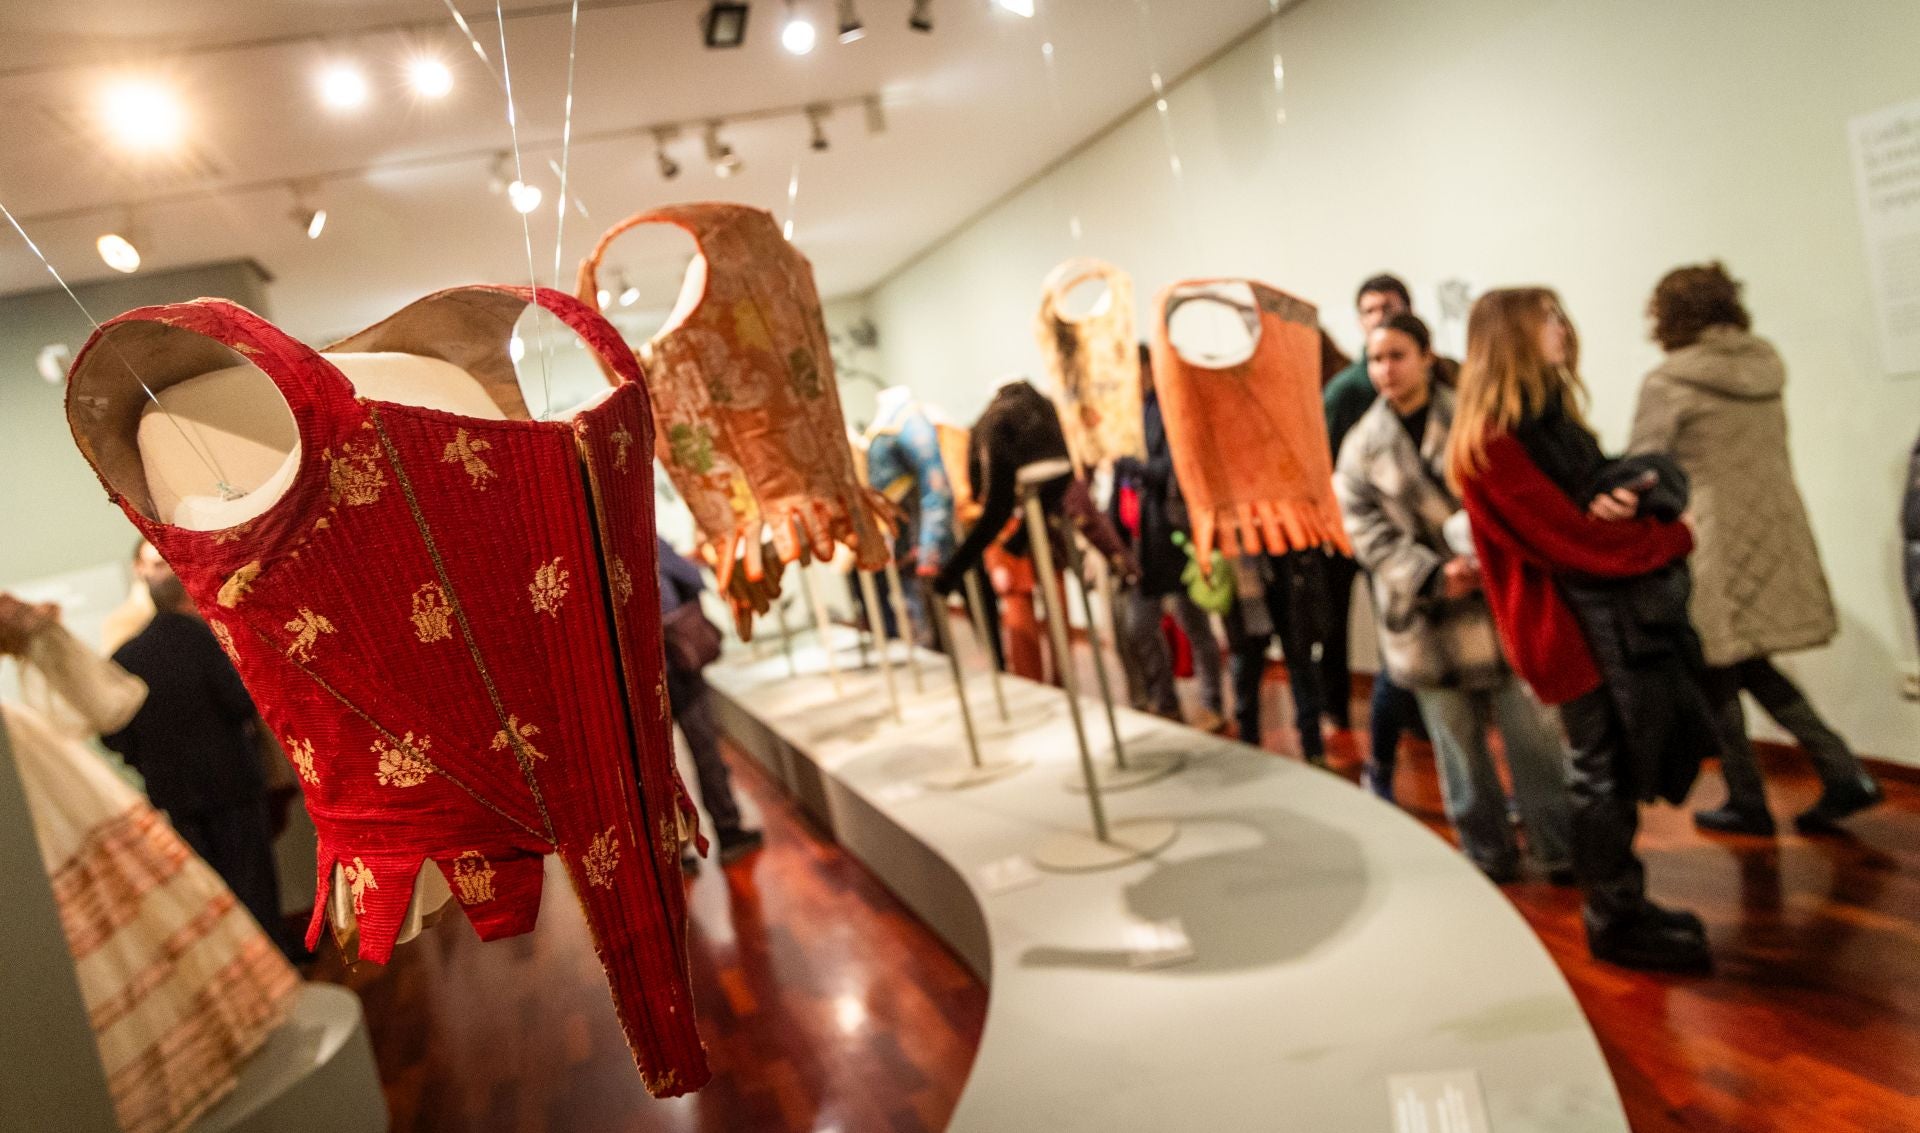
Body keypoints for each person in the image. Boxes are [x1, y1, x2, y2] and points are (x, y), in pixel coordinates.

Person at [1448, 288, 1714, 973]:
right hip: (1562, 631)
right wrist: (1668, 536)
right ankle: (1611, 919)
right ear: (1511, 337)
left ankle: (1625, 903)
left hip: (1599, 622)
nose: (1563, 329)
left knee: (1616, 772)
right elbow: (1569, 540)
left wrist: (1628, 495)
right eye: (1547, 320)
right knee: (1599, 774)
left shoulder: (1549, 419)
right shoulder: (1490, 443)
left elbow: (1589, 502)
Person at [1628, 263, 1882, 835]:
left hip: (1709, 543)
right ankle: (1830, 775)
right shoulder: (1764, 367)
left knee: (1720, 665)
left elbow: (1646, 468)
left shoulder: (1668, 382)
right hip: (1772, 531)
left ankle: (1769, 794)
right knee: (1737, 666)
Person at [1335, 313, 1573, 880]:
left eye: (1397, 355)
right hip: (1428, 618)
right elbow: (1363, 529)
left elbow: (1521, 493)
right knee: (1458, 750)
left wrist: (1486, 558)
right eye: (1376, 359)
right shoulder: (1363, 444)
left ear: (1425, 355)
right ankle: (1487, 852)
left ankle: (1559, 848)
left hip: (1500, 604)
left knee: (1533, 738)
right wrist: (1433, 573)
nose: (1385, 370)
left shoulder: (1476, 418)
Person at [104, 541, 290, 955]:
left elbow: (114, 729)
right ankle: (278, 962)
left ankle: (238, 971)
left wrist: (148, 759)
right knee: (253, 880)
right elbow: (238, 701)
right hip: (231, 779)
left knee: (208, 890)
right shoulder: (205, 640)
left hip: (173, 791)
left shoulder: (124, 656)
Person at [1322, 274, 1448, 790]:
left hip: (1442, 551)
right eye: (1369, 310)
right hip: (1372, 541)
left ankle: (1408, 740)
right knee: (1388, 647)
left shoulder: (1450, 402)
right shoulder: (1347, 394)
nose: (1386, 368)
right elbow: (1336, 471)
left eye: (1388, 308)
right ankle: (1375, 756)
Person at [1110, 344, 1227, 732]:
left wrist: (1137, 468)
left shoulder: (1168, 408)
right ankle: (1166, 701)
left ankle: (1212, 704)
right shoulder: (1126, 417)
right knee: (1139, 626)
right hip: (1142, 539)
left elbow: (1177, 466)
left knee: (1195, 624)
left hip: (1173, 534)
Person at [657, 537, 764, 871]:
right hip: (678, 663)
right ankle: (728, 830)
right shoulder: (643, 536)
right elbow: (692, 578)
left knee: (655, 766)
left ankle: (676, 850)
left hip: (638, 674)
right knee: (704, 750)